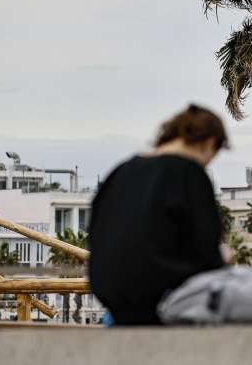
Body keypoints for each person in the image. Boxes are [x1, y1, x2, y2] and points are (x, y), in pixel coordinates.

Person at [89, 104, 229, 325]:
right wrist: (223, 258)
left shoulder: (122, 171)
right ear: (209, 143)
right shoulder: (189, 174)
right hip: (168, 306)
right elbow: (206, 248)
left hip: (116, 305)